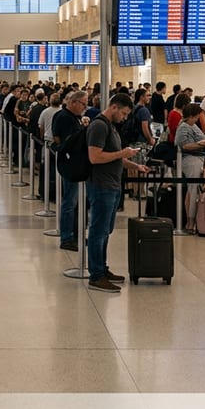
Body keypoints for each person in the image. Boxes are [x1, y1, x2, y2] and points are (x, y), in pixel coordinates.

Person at [85, 93, 148, 293]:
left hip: (112, 185)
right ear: (113, 107)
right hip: (101, 186)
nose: (124, 117)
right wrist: (123, 153)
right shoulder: (99, 126)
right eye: (123, 113)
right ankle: (96, 275)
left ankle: (102, 268)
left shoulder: (111, 126)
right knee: (98, 231)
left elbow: (114, 158)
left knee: (106, 231)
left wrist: (134, 165)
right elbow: (95, 157)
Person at [52, 91, 89, 251]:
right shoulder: (64, 117)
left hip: (74, 164)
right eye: (83, 104)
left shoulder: (71, 117)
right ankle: (67, 237)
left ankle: (76, 234)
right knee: (70, 202)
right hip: (70, 165)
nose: (85, 107)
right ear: (73, 102)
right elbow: (64, 141)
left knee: (75, 202)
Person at [175, 103, 205, 232]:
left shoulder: (190, 125)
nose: (197, 119)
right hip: (190, 161)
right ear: (191, 116)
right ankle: (190, 222)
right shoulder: (184, 127)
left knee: (194, 190)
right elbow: (184, 146)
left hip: (196, 160)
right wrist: (202, 144)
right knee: (192, 190)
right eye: (196, 117)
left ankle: (194, 221)